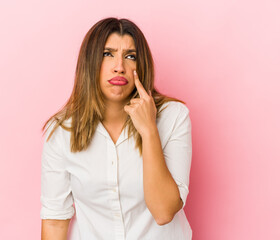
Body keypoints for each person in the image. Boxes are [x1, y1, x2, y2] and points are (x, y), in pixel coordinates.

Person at [40, 17, 193, 240]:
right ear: (90, 62)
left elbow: (164, 212)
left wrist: (149, 130)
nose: (119, 67)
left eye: (130, 56)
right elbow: (54, 221)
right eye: (107, 54)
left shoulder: (173, 116)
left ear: (141, 66)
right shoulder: (62, 131)